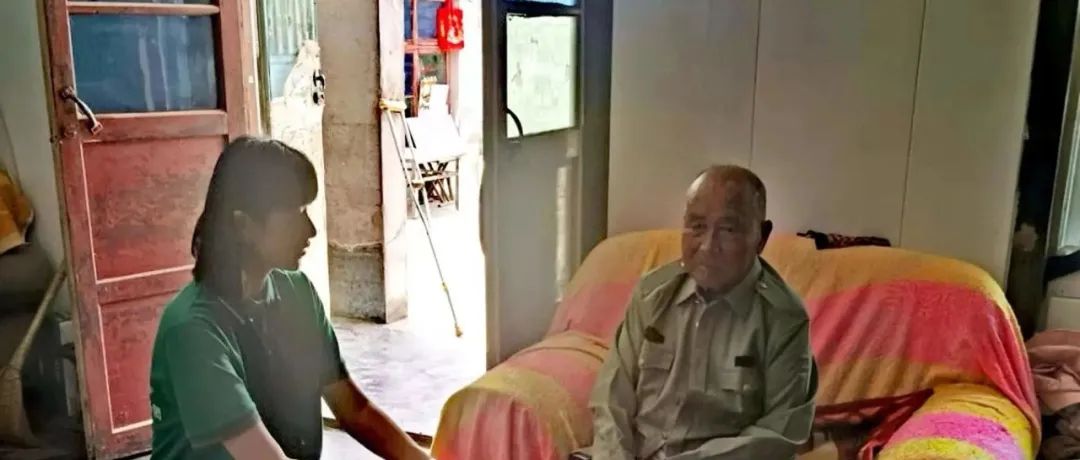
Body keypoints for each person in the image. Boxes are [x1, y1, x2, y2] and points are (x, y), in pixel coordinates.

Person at [148, 137, 429, 460]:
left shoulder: (297, 293)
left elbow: (354, 409)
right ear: (243, 225)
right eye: (296, 214)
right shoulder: (192, 330)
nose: (311, 230)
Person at [588, 165, 817, 460]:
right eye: (697, 226)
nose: (708, 247)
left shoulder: (783, 318)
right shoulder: (651, 294)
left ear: (761, 237)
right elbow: (611, 400)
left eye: (728, 230)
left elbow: (778, 435)